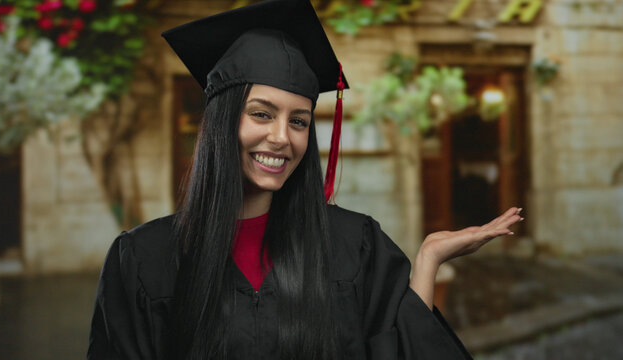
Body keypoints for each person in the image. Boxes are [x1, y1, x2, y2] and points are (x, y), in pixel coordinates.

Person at [87, 0, 523, 359]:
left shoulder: (355, 244)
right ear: (221, 122)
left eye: (299, 120)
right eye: (261, 113)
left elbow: (401, 349)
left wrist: (427, 258)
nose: (282, 138)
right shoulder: (143, 260)